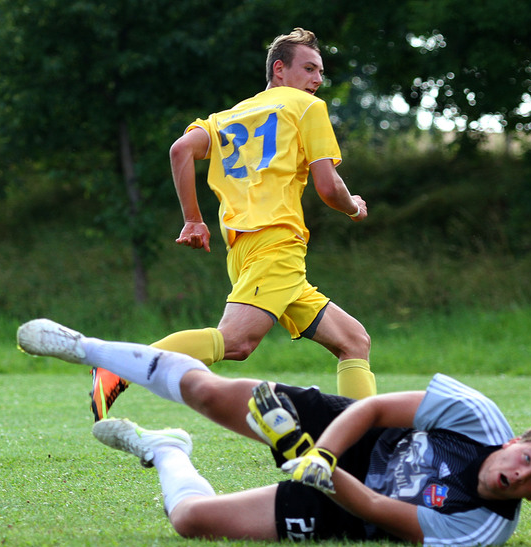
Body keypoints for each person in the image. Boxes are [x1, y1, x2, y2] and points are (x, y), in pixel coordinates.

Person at [17, 319, 531, 547]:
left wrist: (314, 468)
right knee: (209, 393)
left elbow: (372, 506)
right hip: (354, 436)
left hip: (350, 512)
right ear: (516, 440)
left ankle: (165, 447)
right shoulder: (478, 417)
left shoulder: (481, 529)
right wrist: (317, 451)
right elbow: (372, 410)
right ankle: (84, 347)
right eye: (525, 458)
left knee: (192, 523)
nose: (518, 474)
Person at [90, 27, 375, 421]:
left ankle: (361, 443)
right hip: (277, 241)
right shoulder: (307, 107)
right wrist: (354, 207)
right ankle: (121, 366)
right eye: (309, 68)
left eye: (320, 72)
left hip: (245, 247)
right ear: (279, 69)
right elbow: (329, 187)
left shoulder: (229, 116)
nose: (317, 80)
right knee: (237, 342)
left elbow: (180, 150)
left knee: (353, 341)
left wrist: (194, 219)